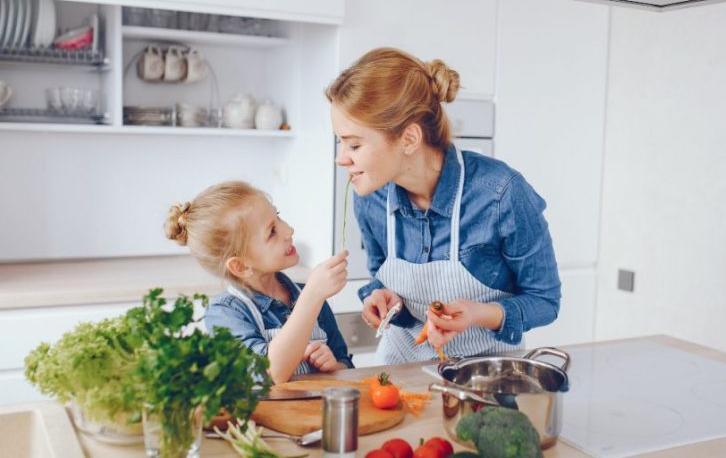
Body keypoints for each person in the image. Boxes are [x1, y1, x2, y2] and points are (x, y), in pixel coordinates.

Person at [326, 47, 561, 364]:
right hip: (400, 368)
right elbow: (380, 276)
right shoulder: (371, 197)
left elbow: (544, 301)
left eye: (354, 144)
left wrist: (478, 313)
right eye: (340, 142)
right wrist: (381, 298)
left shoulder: (500, 193)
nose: (341, 158)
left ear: (409, 139)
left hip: (484, 374)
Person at [164, 181, 353, 383]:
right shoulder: (226, 314)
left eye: (278, 216)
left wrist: (334, 367)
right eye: (272, 231)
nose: (289, 230)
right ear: (241, 266)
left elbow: (347, 366)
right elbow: (269, 374)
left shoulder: (309, 295)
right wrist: (311, 297)